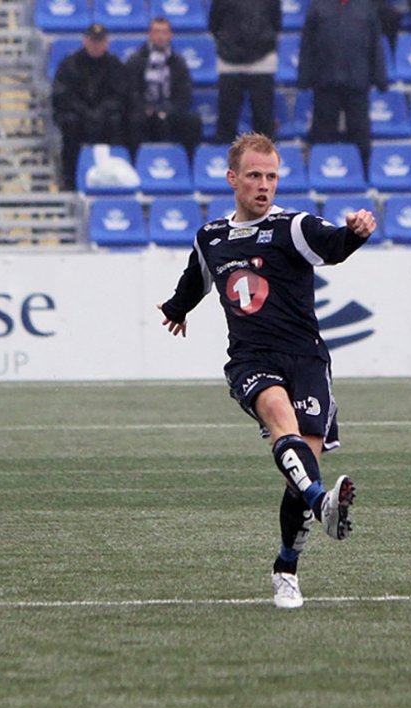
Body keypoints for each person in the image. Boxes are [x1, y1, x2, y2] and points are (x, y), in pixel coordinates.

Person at [157, 133, 377, 609]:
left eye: (271, 176)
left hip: (307, 359)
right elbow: (197, 277)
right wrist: (177, 307)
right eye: (254, 175)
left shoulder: (292, 226)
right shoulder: (211, 236)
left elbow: (334, 245)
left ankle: (285, 567)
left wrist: (356, 232)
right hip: (252, 360)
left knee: (302, 470)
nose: (264, 185)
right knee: (281, 421)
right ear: (232, 178)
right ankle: (323, 504)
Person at [297, 0, 389, 172]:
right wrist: (304, 77)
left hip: (358, 82)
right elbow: (307, 44)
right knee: (322, 132)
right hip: (325, 81)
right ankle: (319, 170)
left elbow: (375, 44)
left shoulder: (366, 7)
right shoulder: (318, 7)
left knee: (360, 132)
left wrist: (380, 77)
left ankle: (363, 172)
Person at [51, 23, 130, 190]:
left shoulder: (114, 65)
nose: (96, 45)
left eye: (100, 41)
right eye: (92, 40)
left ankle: (114, 178)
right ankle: (70, 180)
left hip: (105, 116)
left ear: (106, 43)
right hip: (77, 116)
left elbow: (121, 95)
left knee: (118, 122)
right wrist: (85, 112)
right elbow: (62, 95)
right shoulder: (70, 64)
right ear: (85, 40)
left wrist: (101, 111)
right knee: (70, 124)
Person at [125, 17, 203, 158]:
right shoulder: (136, 60)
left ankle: (189, 164)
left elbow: (184, 93)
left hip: (171, 111)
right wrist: (145, 109)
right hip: (144, 112)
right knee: (132, 121)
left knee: (193, 121)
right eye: (156, 32)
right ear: (149, 34)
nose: (160, 36)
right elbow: (131, 91)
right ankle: (135, 163)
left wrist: (167, 111)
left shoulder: (178, 62)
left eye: (164, 32)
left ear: (170, 35)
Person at [208, 0, 281, 143]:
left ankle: (264, 161)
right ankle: (227, 160)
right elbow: (214, 23)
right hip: (229, 62)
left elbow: (276, 23)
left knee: (264, 119)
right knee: (227, 120)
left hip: (262, 62)